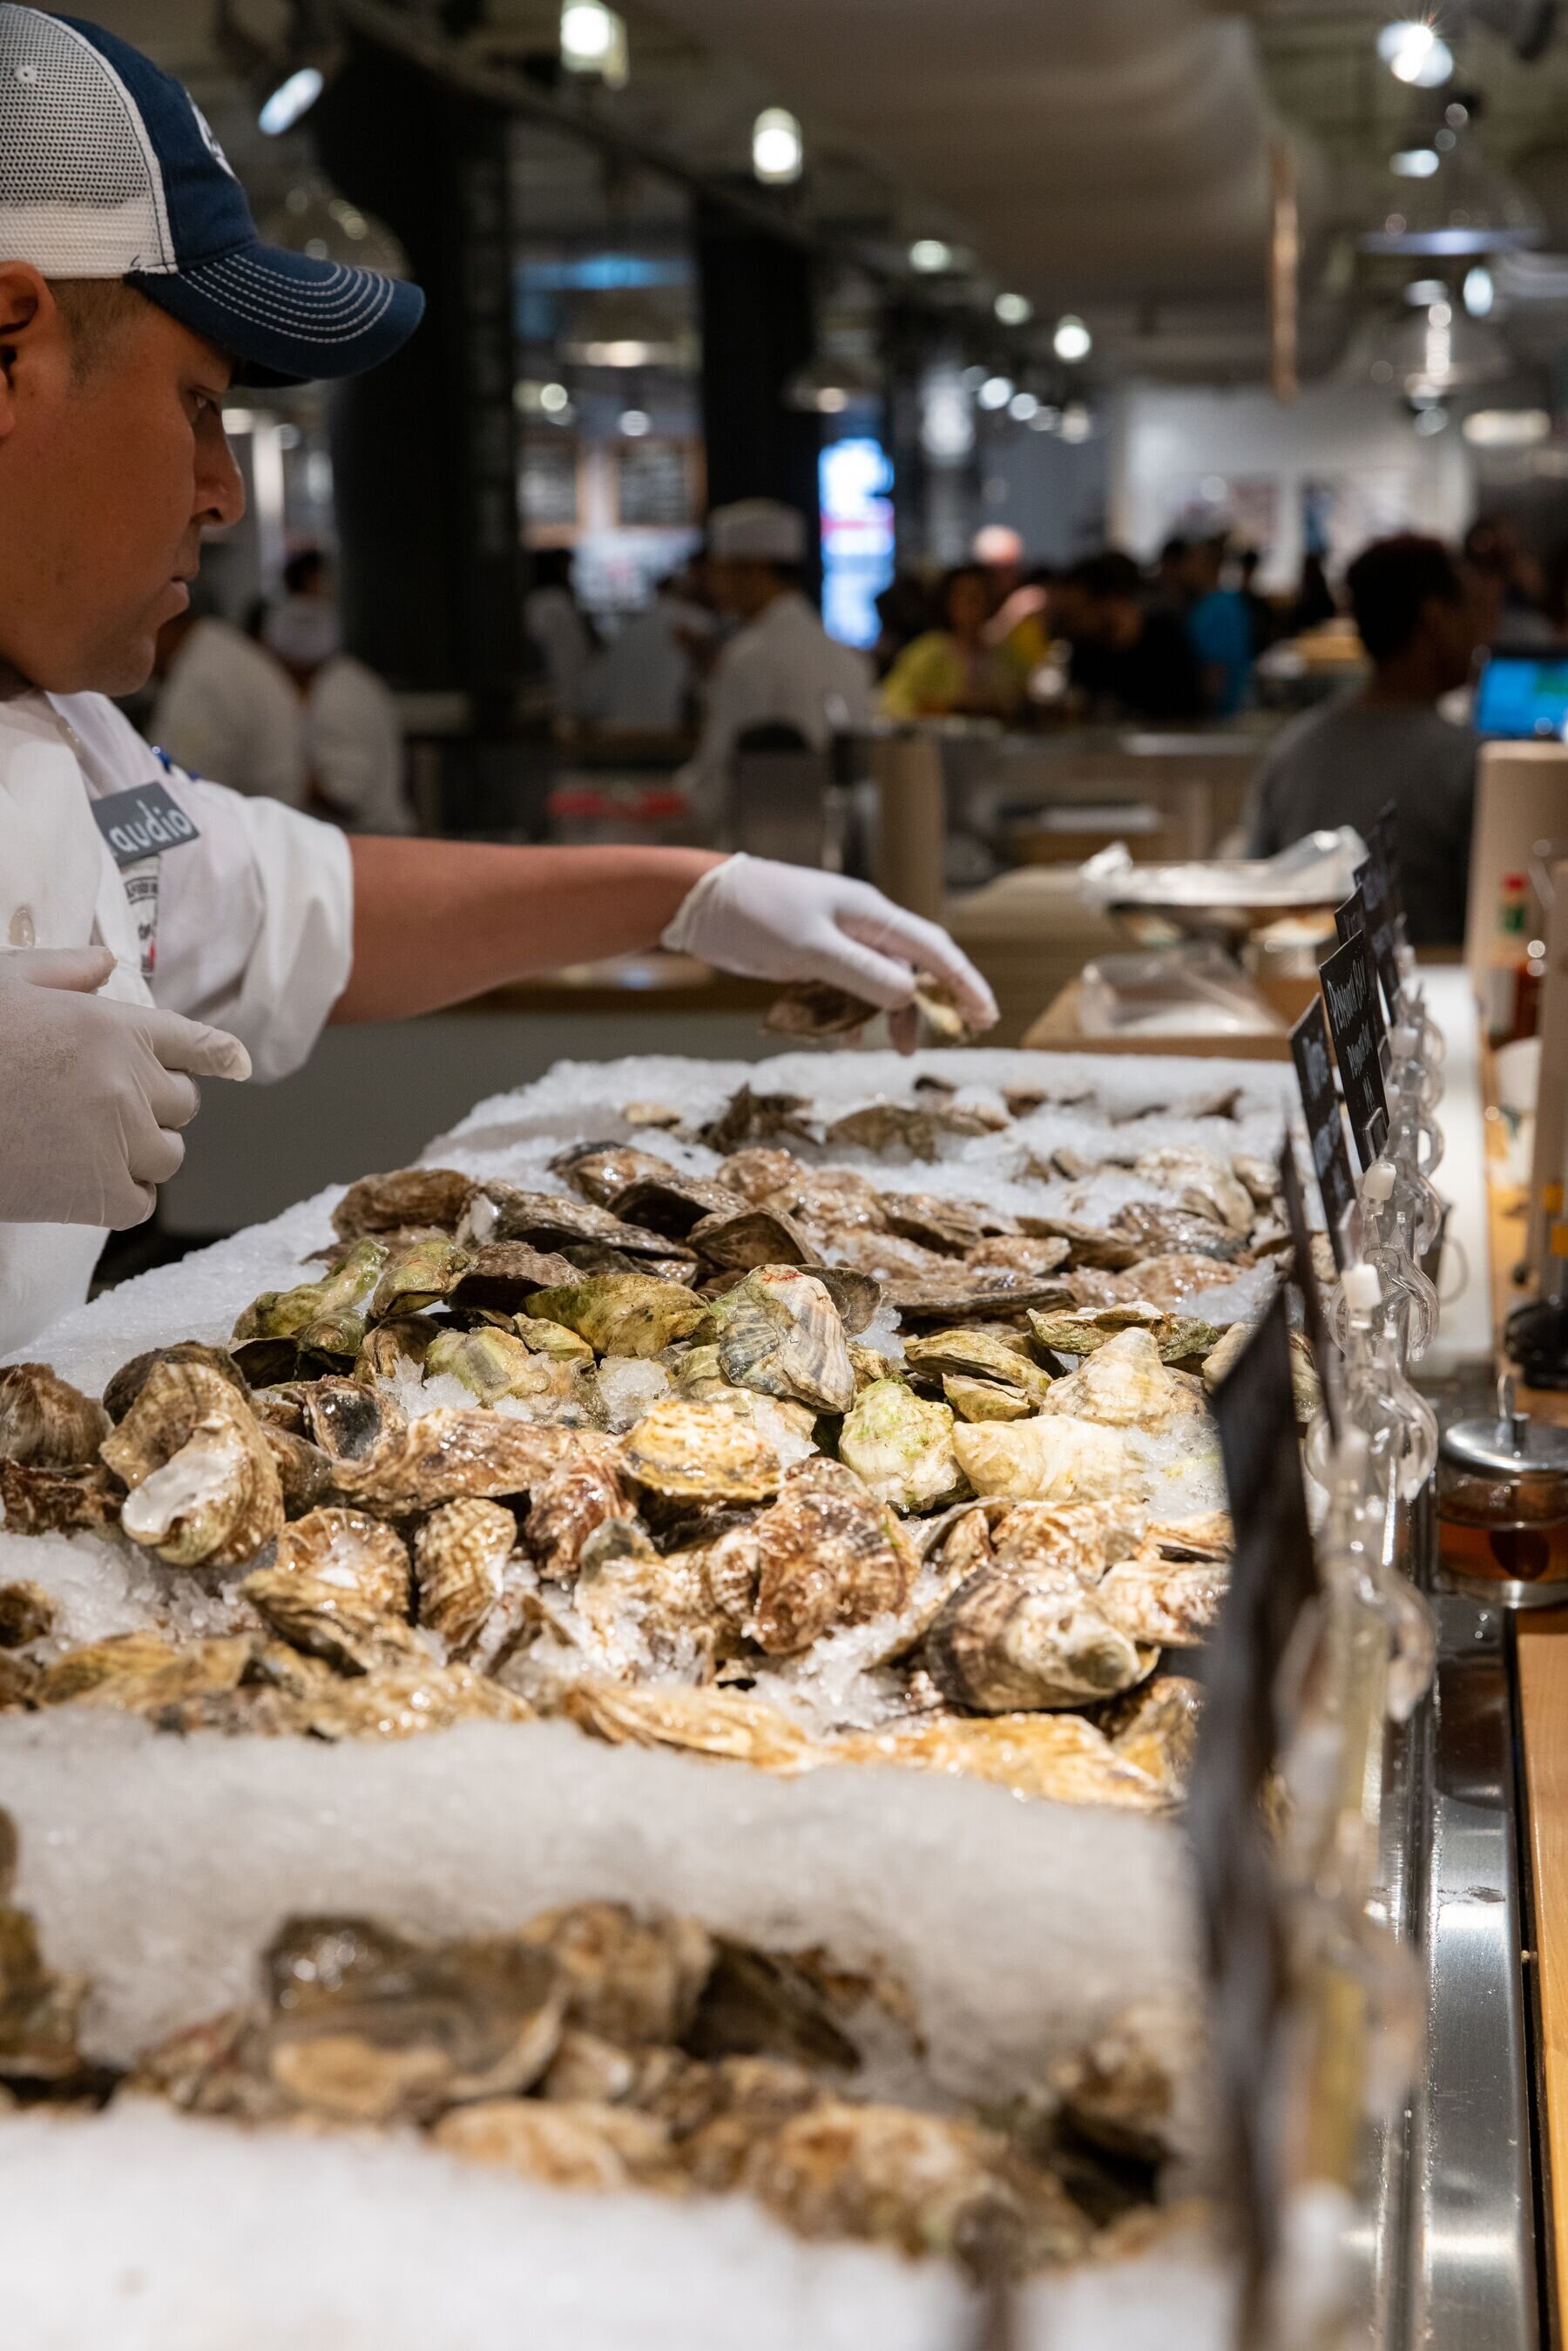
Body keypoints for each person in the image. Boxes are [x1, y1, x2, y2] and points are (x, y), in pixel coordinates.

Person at [0, 6, 995, 1353]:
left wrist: (686, 894)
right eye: (196, 405)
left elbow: (307, 906)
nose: (224, 491)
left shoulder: (72, 743)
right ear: (13, 338)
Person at [1247, 534, 1484, 945]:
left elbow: (1255, 893)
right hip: (1434, 998)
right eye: (1467, 612)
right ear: (1434, 618)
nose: (1477, 634)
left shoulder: (1294, 748)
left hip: (1304, 997)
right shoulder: (1468, 763)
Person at [679, 499, 873, 829]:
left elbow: (718, 781)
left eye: (721, 570)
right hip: (838, 835)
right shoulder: (849, 658)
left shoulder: (750, 656)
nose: (713, 583)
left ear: (752, 570)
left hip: (766, 840)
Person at [261, 589, 411, 834]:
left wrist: (276, 779)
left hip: (372, 843)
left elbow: (347, 793)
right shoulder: (346, 679)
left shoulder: (336, 700)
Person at [150, 595, 306, 806]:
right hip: (265, 813)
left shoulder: (204, 677)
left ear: (165, 621)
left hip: (251, 823)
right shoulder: (217, 649)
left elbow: (181, 794)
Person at [1058, 551, 1206, 721]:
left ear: (1109, 601)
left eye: (1079, 612)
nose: (1073, 622)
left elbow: (1191, 713)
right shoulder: (1084, 650)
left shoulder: (1164, 639)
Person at [880, 563, 1025, 721]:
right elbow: (892, 703)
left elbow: (1019, 707)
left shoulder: (1006, 657)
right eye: (968, 599)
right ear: (948, 603)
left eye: (983, 598)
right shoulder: (927, 653)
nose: (976, 608)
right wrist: (943, 708)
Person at [1182, 538, 1253, 719]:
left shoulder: (1215, 608)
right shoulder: (1228, 602)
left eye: (1190, 561)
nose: (1185, 568)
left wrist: (1203, 715)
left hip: (1218, 716)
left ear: (1205, 564)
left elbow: (1215, 671)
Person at [524, 547, 596, 720]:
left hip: (570, 685)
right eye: (565, 566)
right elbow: (535, 642)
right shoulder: (545, 601)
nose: (568, 572)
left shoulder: (559, 599)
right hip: (555, 686)